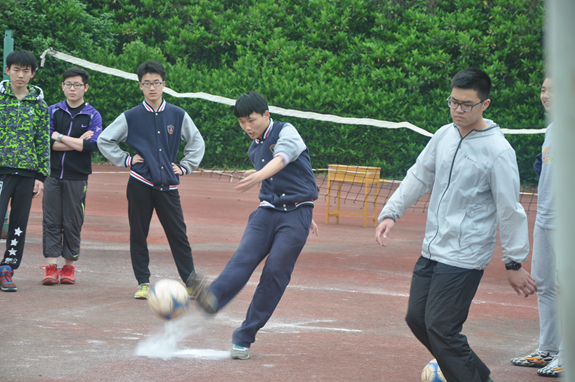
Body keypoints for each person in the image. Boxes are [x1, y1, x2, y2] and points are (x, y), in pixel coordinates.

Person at [374, 68, 537, 382]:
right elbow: (420, 175)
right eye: (453, 102)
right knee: (418, 319)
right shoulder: (444, 135)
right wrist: (391, 213)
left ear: (485, 105)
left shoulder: (499, 151)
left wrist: (514, 262)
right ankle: (479, 376)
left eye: (466, 104)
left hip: (464, 255)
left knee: (442, 328)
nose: (458, 110)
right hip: (433, 248)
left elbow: (510, 209)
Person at [189, 91, 319, 360]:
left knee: (274, 274)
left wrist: (304, 210)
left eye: (252, 120)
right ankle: (212, 298)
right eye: (241, 122)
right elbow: (282, 179)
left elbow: (283, 158)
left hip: (295, 217)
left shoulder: (287, 131)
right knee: (243, 258)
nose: (247, 127)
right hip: (266, 212)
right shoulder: (254, 148)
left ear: (266, 115)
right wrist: (260, 176)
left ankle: (244, 337)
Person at [97, 60, 205, 299]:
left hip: (168, 184)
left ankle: (190, 282)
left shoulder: (178, 114)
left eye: (156, 82)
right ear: (140, 87)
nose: (152, 88)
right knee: (138, 233)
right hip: (140, 184)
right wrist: (126, 160)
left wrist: (185, 166)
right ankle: (143, 282)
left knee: (178, 234)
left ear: (164, 84)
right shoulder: (131, 116)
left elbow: (197, 142)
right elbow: (104, 139)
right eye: (147, 83)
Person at [510, 77, 563, 377]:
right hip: (544, 217)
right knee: (544, 284)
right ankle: (548, 350)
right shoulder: (553, 128)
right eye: (543, 89)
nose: (546, 95)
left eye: (554, 90)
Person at [41, 67, 102, 285]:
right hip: (52, 175)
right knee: (51, 220)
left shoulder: (93, 114)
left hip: (78, 176)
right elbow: (48, 144)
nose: (72, 88)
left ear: (86, 87)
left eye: (77, 85)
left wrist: (60, 137)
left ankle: (68, 268)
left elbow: (92, 145)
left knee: (73, 221)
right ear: (62, 87)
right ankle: (51, 267)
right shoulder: (52, 111)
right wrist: (75, 142)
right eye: (68, 84)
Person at [0, 50, 50, 292]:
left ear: (33, 74)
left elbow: (42, 142)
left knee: (18, 224)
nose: (21, 74)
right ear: (7, 70)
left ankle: (7, 270)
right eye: (16, 69)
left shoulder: (40, 106)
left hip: (28, 173)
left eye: (26, 70)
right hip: (1, 171)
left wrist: (41, 176)